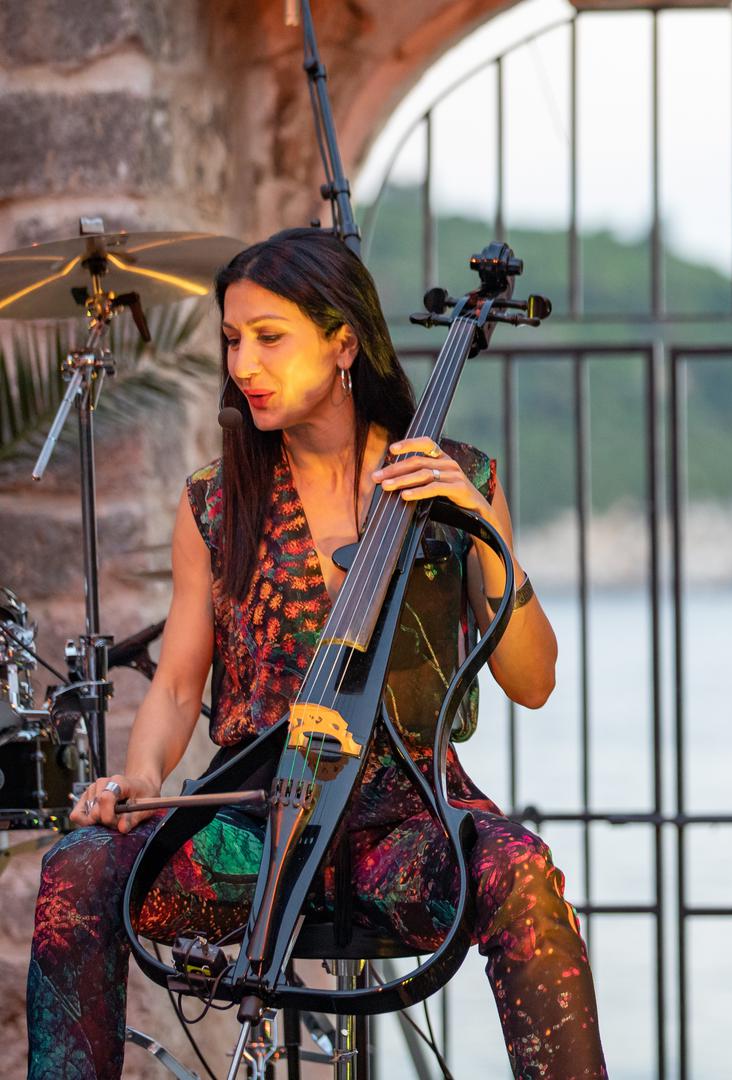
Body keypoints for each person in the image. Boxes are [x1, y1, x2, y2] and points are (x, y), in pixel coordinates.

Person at [27, 229, 608, 1079]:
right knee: (79, 871)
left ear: (343, 342)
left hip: (406, 822)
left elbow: (534, 680)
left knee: (522, 878)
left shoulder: (459, 480)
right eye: (232, 341)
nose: (244, 365)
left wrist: (482, 534)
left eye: (269, 337)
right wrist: (142, 781)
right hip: (255, 821)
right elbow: (181, 680)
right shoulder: (216, 503)